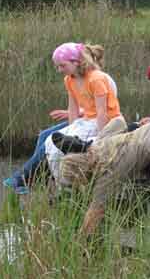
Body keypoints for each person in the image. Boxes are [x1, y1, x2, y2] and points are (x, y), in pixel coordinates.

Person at [44, 42, 124, 184]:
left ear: (76, 62)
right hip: (86, 121)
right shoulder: (69, 80)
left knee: (72, 145)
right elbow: (73, 109)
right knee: (49, 142)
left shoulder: (96, 78)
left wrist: (101, 137)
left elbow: (102, 111)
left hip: (106, 121)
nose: (59, 69)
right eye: (57, 66)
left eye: (62, 65)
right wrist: (71, 130)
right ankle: (62, 182)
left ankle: (71, 181)